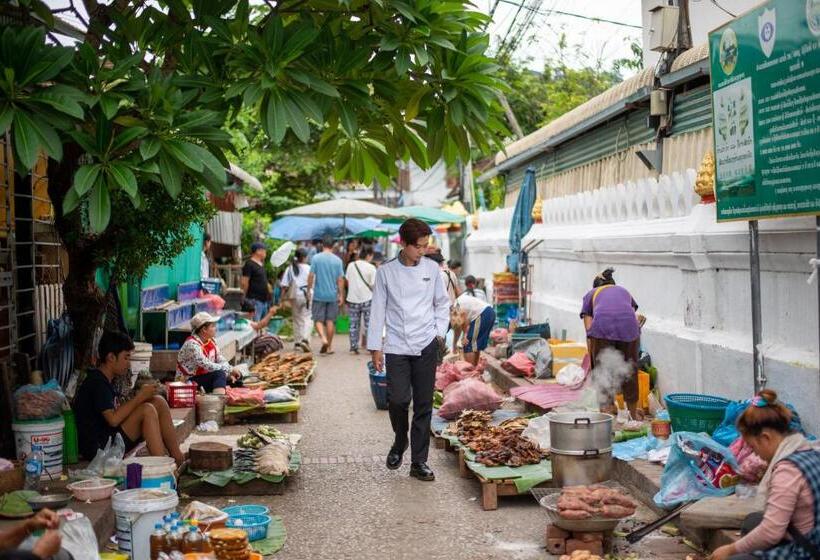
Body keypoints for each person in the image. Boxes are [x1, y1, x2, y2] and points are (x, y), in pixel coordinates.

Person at [368, 218, 450, 482]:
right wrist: (375, 347)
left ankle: (419, 462)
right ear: (403, 244)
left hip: (426, 342)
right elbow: (378, 309)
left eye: (426, 246)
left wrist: (439, 333)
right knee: (398, 400)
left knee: (424, 404)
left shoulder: (432, 269)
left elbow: (442, 304)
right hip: (396, 344)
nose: (423, 251)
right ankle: (399, 439)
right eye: (419, 247)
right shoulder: (386, 272)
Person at [710, 390, 820, 560]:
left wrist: (731, 549)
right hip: (811, 534)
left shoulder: (788, 471)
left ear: (765, 438)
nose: (756, 455)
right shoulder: (808, 450)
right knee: (753, 521)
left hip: (809, 551)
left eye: (753, 448)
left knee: (736, 558)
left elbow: (771, 532)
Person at [74, 331, 185, 466]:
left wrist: (143, 396)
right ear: (111, 357)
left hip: (110, 436)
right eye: (126, 358)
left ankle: (178, 458)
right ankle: (162, 468)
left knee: (158, 401)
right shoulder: (97, 382)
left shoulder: (107, 380)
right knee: (147, 410)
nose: (128, 364)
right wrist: (140, 397)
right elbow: (113, 420)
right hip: (99, 448)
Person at [579, 268, 641, 413]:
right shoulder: (625, 292)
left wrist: (593, 354)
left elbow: (589, 328)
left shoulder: (591, 294)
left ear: (596, 286)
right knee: (630, 369)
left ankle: (608, 412)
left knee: (602, 370)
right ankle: (633, 413)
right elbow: (630, 314)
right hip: (630, 330)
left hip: (602, 328)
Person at [176, 312, 242, 394]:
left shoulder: (211, 341)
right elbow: (206, 365)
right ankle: (217, 401)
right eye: (213, 326)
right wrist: (230, 370)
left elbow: (220, 359)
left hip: (204, 378)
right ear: (204, 329)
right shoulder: (192, 344)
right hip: (188, 382)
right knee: (219, 374)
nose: (216, 328)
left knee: (237, 379)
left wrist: (229, 372)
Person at [308, 235, 345, 354]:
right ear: (333, 245)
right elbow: (340, 279)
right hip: (332, 295)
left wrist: (309, 289)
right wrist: (341, 295)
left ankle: (323, 339)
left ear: (322, 245)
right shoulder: (338, 260)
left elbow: (311, 275)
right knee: (330, 321)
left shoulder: (316, 258)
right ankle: (329, 347)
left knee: (318, 319)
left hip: (319, 294)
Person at [345, 246, 377, 355]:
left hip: (352, 299)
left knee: (353, 324)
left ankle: (353, 347)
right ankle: (370, 347)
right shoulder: (371, 268)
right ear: (368, 255)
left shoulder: (351, 265)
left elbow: (347, 280)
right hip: (367, 299)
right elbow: (373, 285)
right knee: (369, 324)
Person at [450, 293, 496, 366]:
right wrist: (454, 344)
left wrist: (464, 337)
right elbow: (459, 327)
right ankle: (474, 370)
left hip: (483, 314)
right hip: (488, 313)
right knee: (474, 346)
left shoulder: (456, 306)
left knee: (468, 345)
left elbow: (463, 322)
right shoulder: (457, 303)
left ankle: (469, 373)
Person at [279, 248, 312, 350]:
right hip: (307, 294)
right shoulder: (309, 268)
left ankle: (298, 342)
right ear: (304, 257)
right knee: (307, 317)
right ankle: (305, 339)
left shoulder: (290, 268)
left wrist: (281, 299)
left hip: (294, 296)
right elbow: (313, 282)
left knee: (297, 319)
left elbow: (284, 286)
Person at [241, 242, 270, 321]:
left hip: (263, 300)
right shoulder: (249, 264)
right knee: (255, 324)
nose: (265, 252)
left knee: (262, 325)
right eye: (264, 250)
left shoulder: (261, 265)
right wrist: (243, 297)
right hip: (254, 300)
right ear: (258, 251)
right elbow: (244, 282)